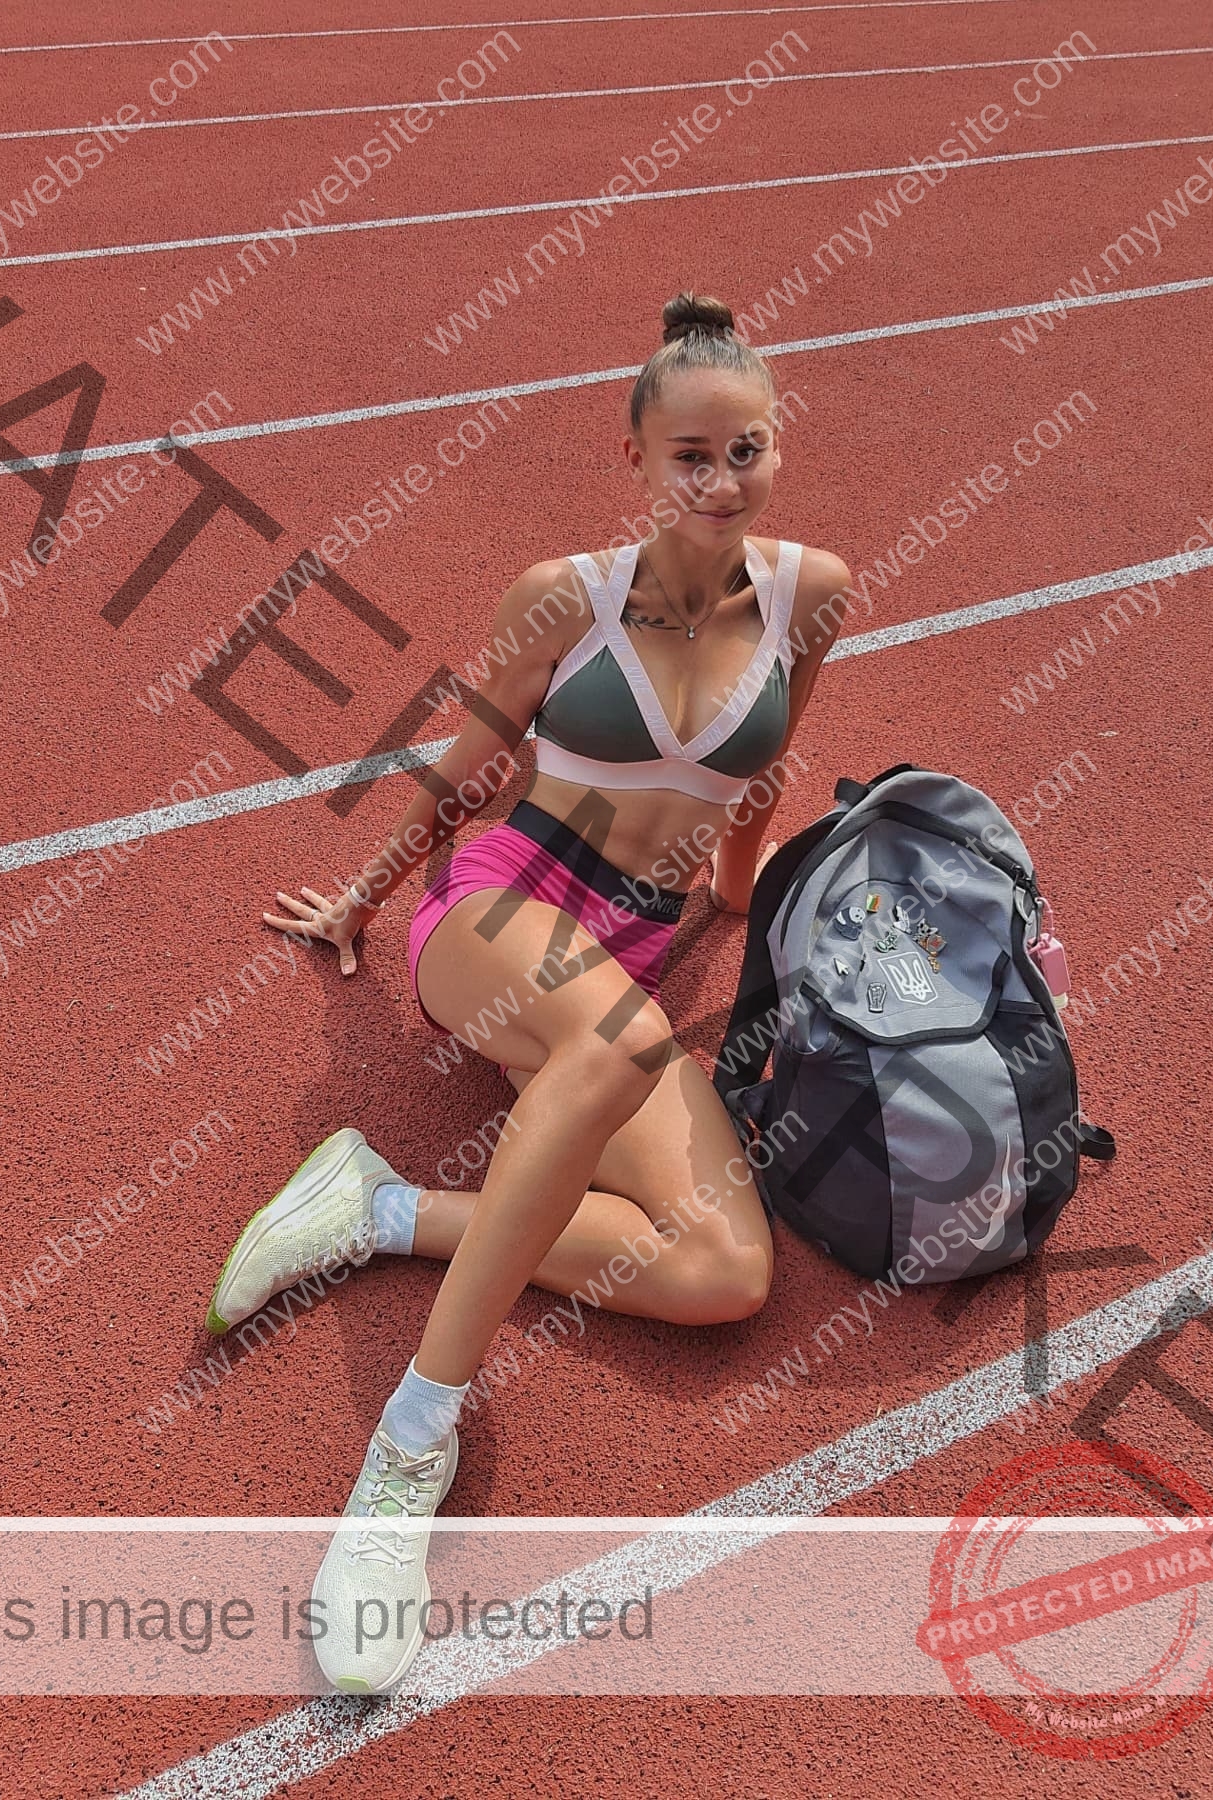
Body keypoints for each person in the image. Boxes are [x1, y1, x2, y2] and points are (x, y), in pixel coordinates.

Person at [207, 291, 853, 1692]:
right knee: (617, 1043)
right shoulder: (570, 598)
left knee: (722, 1274)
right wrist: (364, 900)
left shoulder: (817, 596)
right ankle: (407, 1449)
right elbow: (470, 758)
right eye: (690, 454)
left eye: (747, 451)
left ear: (776, 448)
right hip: (501, 908)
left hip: (625, 954)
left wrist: (753, 828)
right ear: (633, 458)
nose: (721, 481)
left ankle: (371, 1206)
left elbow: (735, 889)